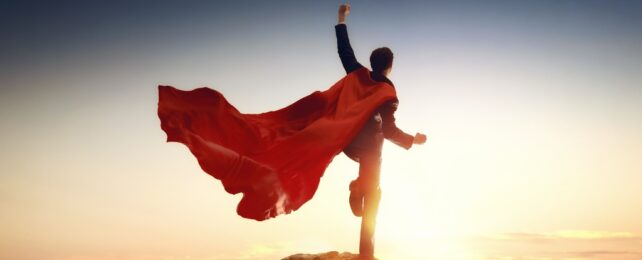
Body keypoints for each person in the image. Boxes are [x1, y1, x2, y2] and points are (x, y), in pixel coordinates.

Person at [336, 3, 427, 259]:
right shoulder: (388, 92)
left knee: (368, 191)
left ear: (373, 63)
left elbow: (345, 52)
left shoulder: (359, 75)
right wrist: (414, 140)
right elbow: (388, 130)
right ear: (390, 66)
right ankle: (367, 253)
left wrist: (341, 19)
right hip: (371, 151)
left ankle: (357, 187)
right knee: (374, 198)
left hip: (350, 141)